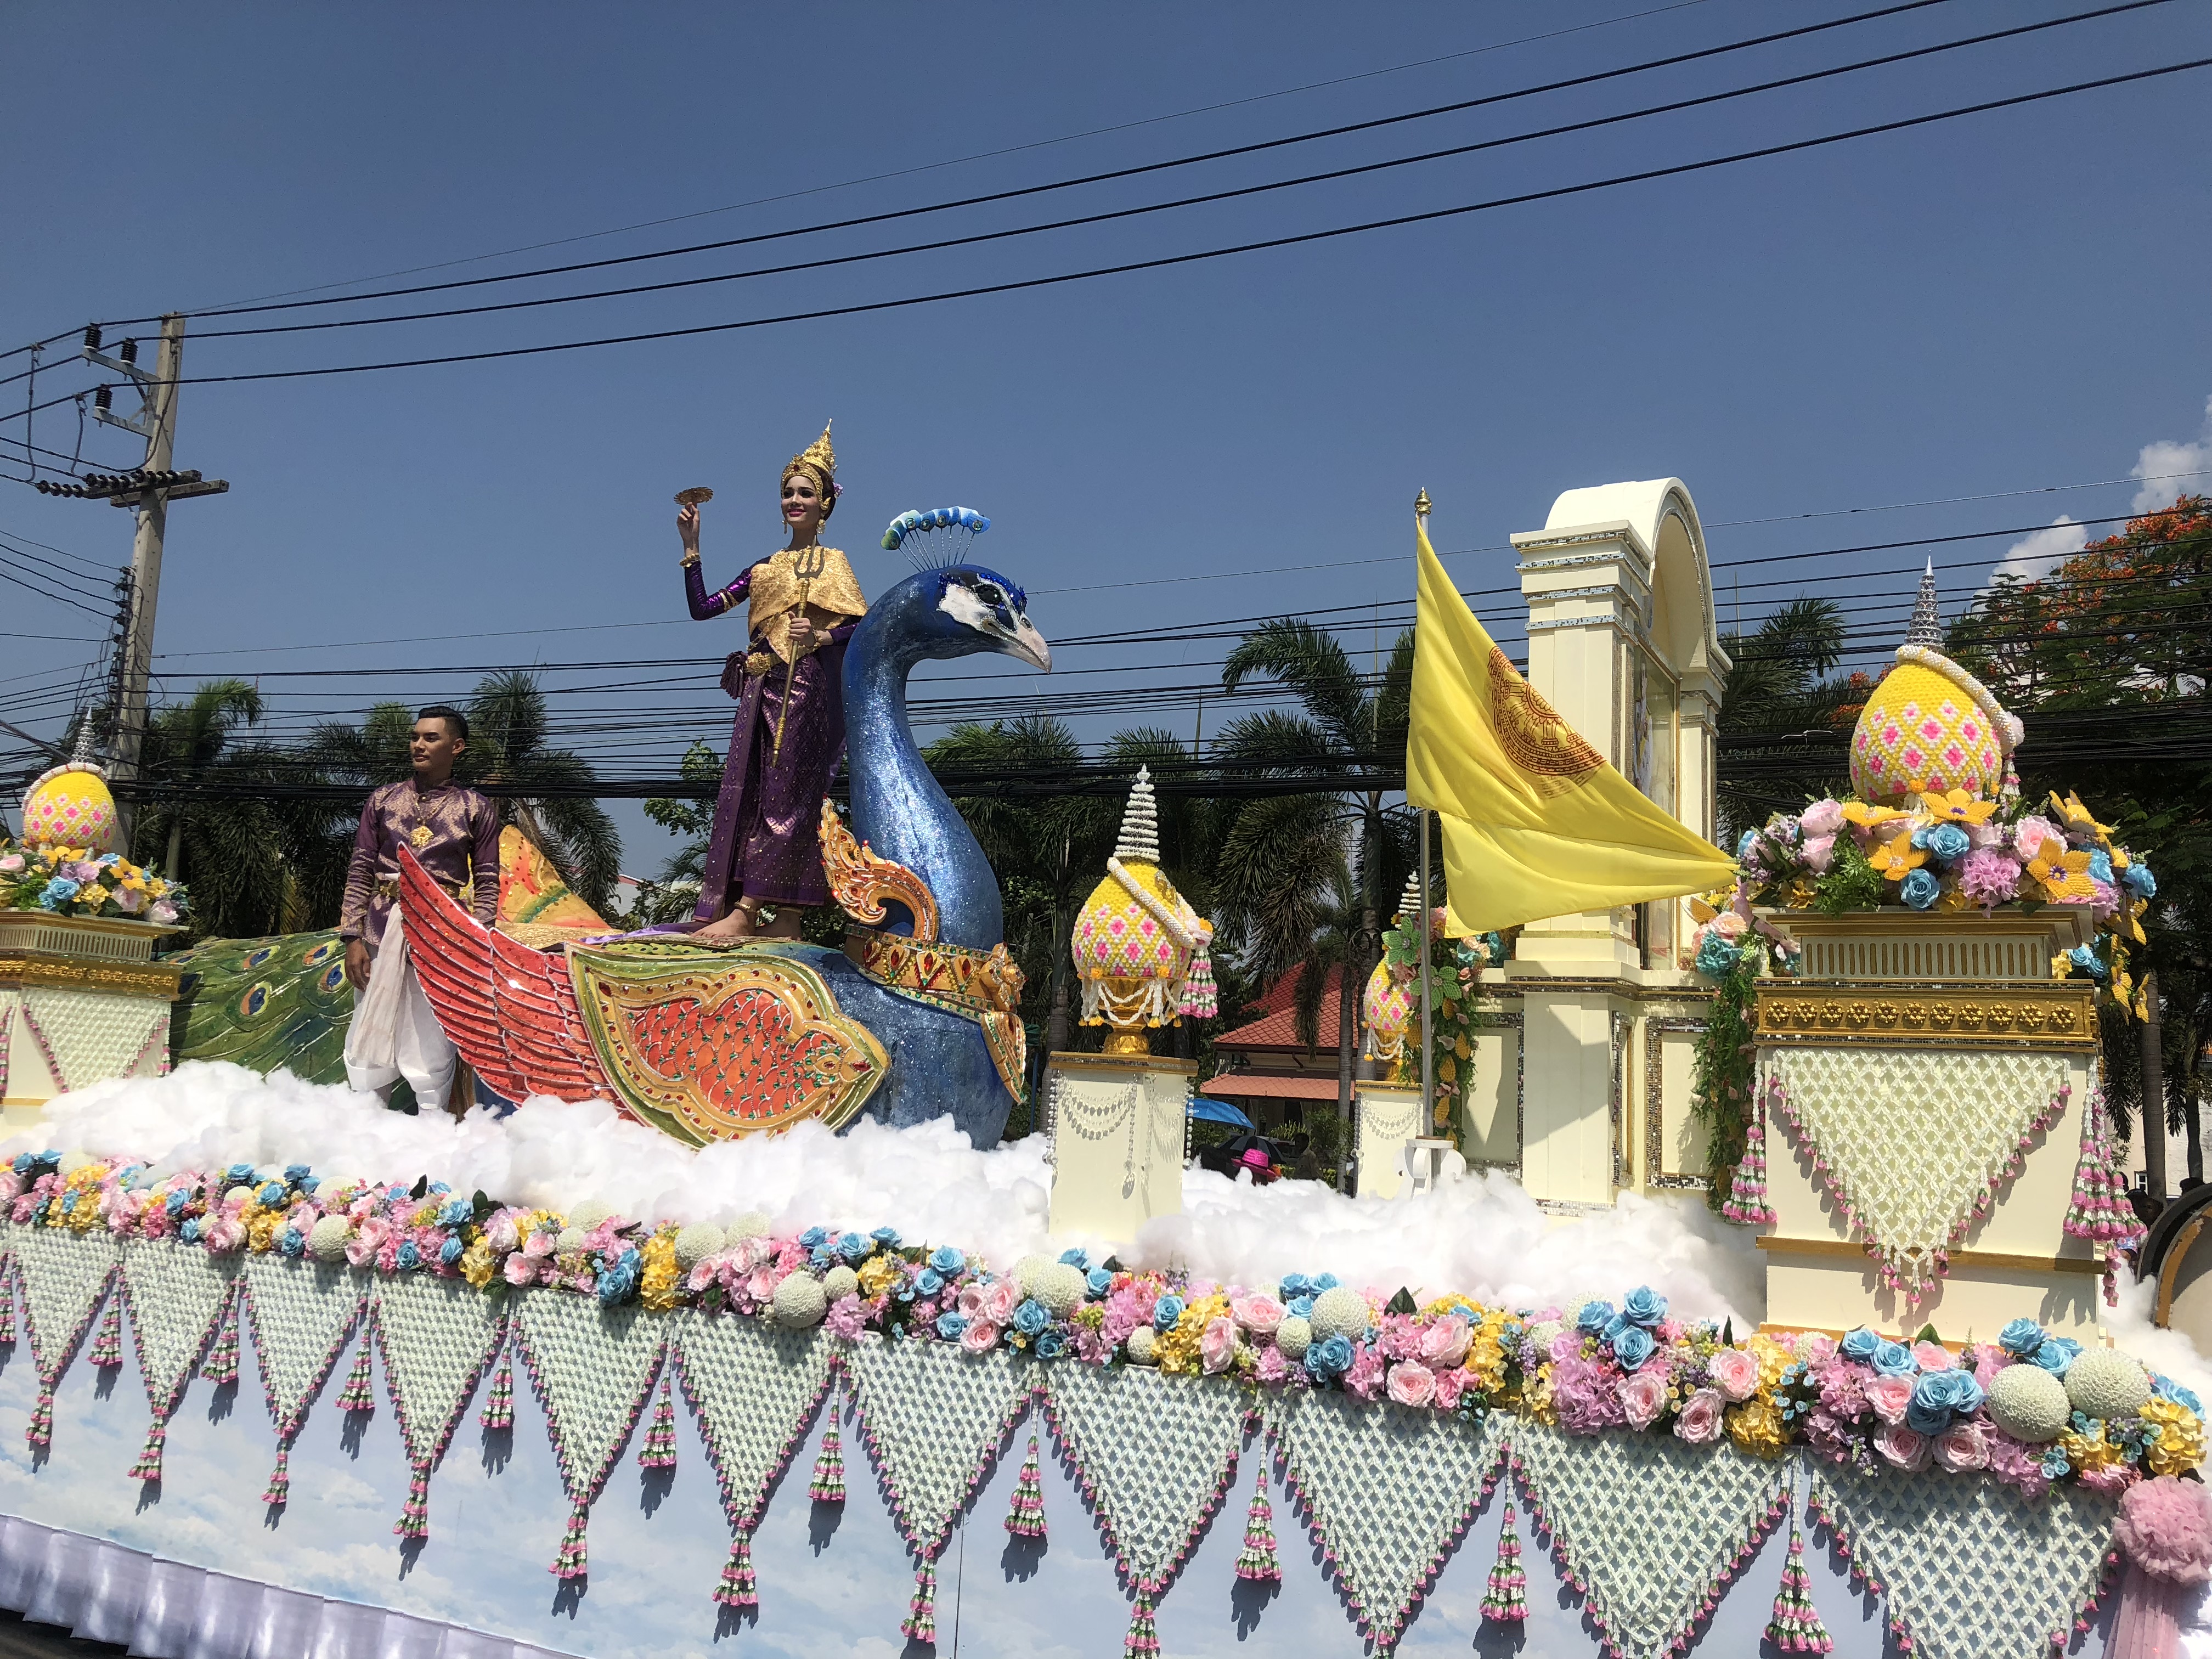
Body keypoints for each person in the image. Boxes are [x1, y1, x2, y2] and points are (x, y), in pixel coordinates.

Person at [681, 422, 867, 944]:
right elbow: (704, 609)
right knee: (754, 793)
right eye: (787, 492)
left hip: (807, 689)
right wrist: (692, 549)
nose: (794, 500)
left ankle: (756, 907)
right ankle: (774, 913)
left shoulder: (835, 564)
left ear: (826, 504)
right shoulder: (765, 568)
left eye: (806, 492)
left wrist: (824, 639)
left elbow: (862, 627)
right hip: (761, 688)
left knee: (792, 796)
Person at [339, 707, 499, 1110]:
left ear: (457, 747)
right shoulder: (383, 799)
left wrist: (475, 942)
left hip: (442, 936)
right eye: (415, 737)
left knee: (429, 1035)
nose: (418, 745)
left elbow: (487, 879)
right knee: (369, 1032)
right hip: (378, 929)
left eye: (430, 738)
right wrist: (351, 938)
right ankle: (364, 1133)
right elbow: (360, 869)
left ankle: (432, 1135)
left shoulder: (475, 807)